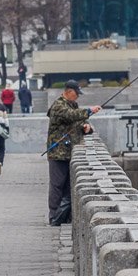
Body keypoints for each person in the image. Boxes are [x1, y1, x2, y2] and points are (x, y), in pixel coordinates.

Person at [46, 80, 101, 225]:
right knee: (57, 186)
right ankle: (54, 217)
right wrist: (89, 111)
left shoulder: (73, 105)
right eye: (76, 94)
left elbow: (76, 122)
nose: (77, 97)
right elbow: (70, 115)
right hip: (58, 153)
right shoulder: (58, 105)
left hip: (70, 151)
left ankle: (66, 217)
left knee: (68, 188)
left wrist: (86, 128)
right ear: (69, 91)